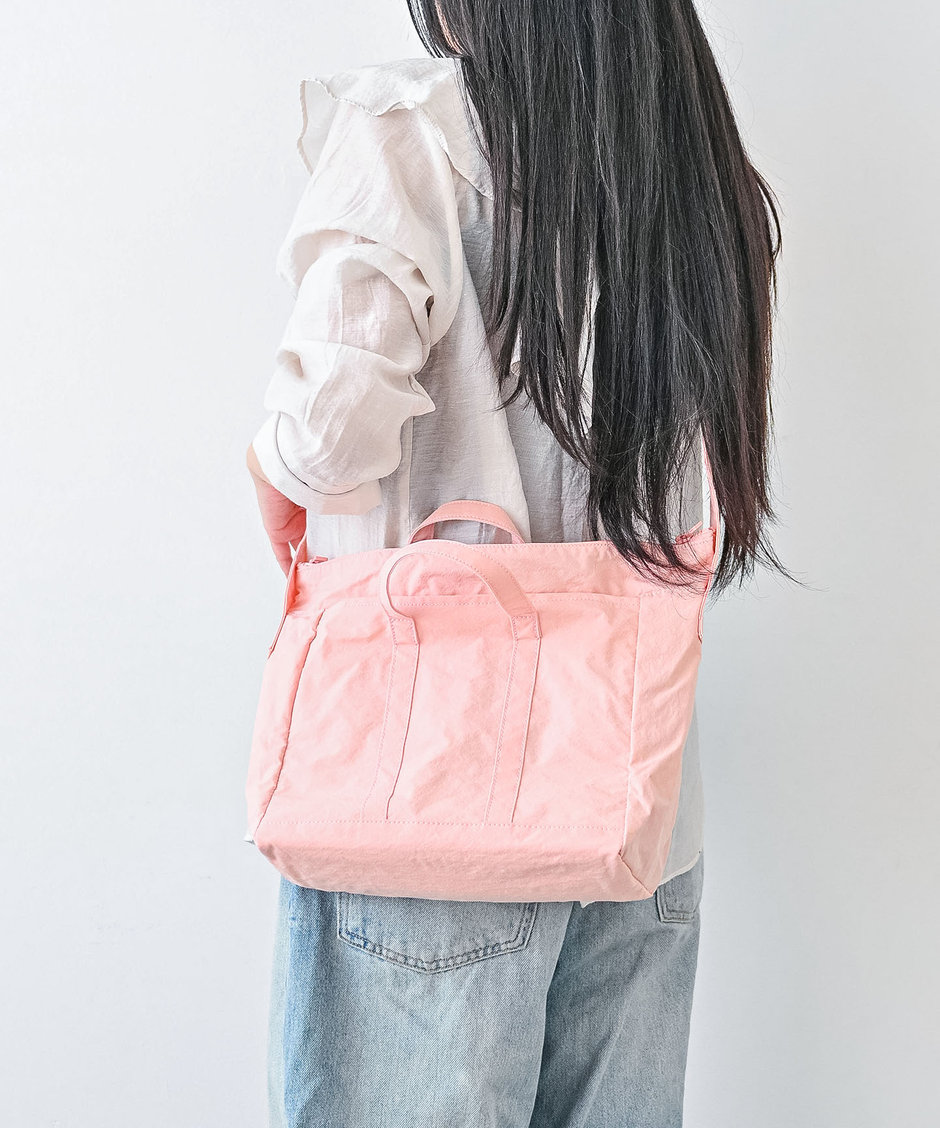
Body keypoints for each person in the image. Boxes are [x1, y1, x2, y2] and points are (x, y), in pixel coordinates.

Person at [246, 3, 792, 1124]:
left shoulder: (417, 129)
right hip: (636, 806)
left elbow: (329, 436)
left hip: (433, 795)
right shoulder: (692, 164)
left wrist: (269, 463)